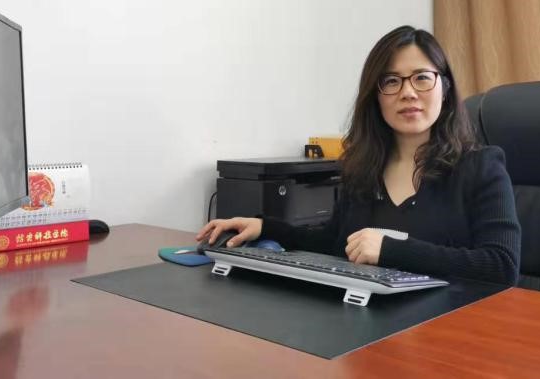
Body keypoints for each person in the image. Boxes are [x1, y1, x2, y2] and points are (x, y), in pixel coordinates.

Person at [197, 25, 521, 284]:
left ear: (445, 89)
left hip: (451, 327)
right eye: (391, 81)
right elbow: (335, 244)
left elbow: (502, 265)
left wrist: (392, 250)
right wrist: (265, 228)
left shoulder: (481, 167)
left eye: (422, 78)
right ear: (375, 97)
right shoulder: (363, 169)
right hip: (372, 325)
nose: (408, 92)